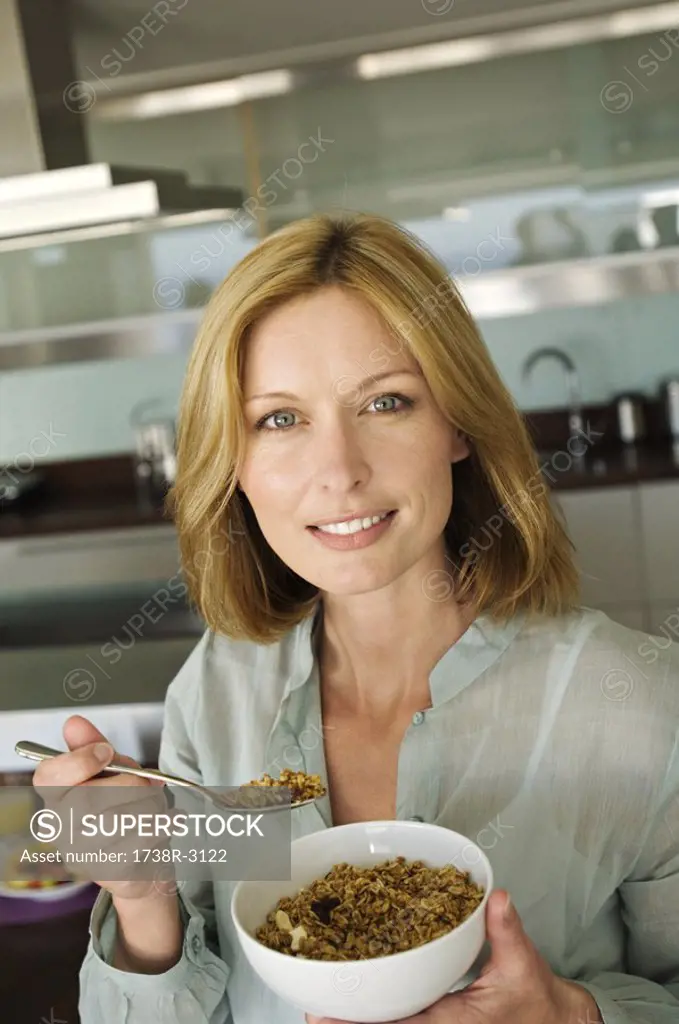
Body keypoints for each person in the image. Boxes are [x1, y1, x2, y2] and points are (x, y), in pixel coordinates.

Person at [36, 213, 678, 1023]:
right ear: (232, 459)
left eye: (385, 401)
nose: (338, 471)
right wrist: (142, 894)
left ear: (456, 423)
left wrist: (575, 1016)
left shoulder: (642, 706)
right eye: (279, 418)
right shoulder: (222, 686)